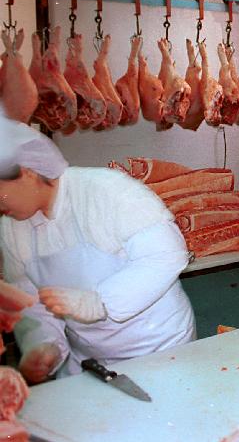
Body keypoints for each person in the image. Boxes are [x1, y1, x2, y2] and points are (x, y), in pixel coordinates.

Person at [0, 116, 195, 384]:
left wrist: (100, 302)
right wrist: (43, 345)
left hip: (158, 348)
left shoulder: (105, 190)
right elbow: (30, 300)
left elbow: (166, 254)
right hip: (88, 361)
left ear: (28, 172)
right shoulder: (11, 228)